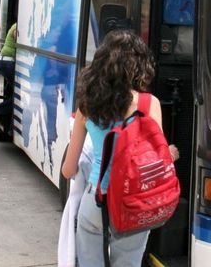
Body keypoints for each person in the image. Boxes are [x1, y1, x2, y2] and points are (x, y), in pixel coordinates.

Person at [61, 29, 179, 267]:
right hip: (133, 204)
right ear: (139, 65)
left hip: (95, 201)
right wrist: (172, 154)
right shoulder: (149, 104)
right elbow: (156, 158)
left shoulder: (87, 105)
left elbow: (68, 170)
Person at [0, 22, 18, 140]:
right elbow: (16, 36)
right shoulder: (17, 26)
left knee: (14, 92)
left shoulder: (15, 25)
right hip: (7, 62)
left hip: (5, 62)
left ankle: (7, 126)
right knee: (19, 95)